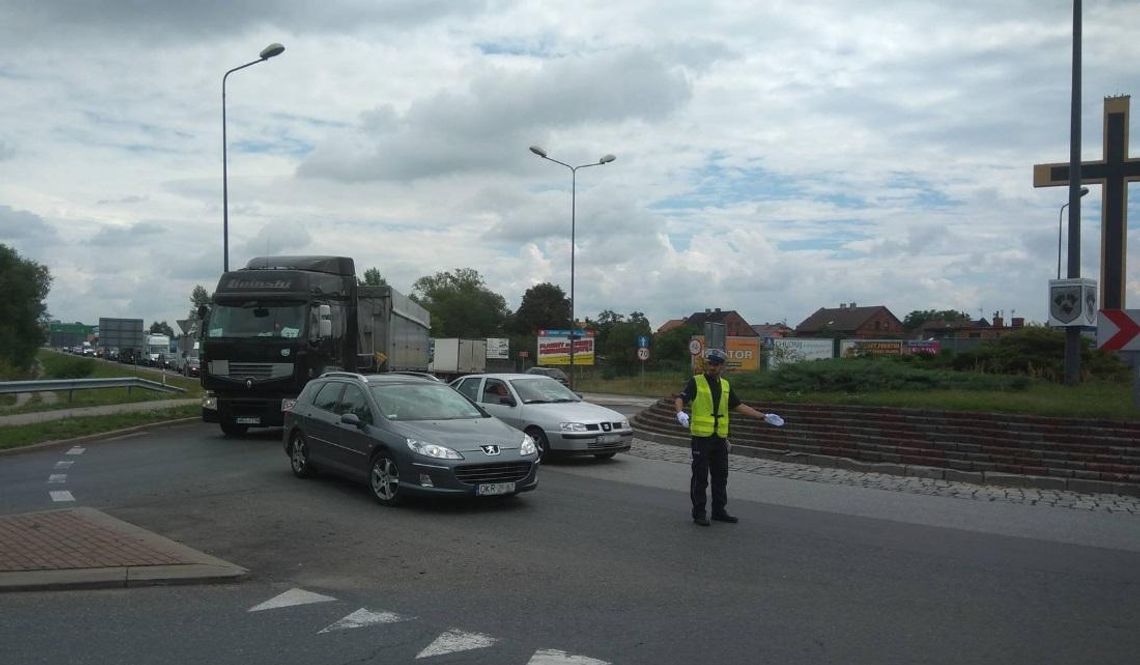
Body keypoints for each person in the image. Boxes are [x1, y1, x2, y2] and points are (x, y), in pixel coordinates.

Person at [674, 348, 782, 526]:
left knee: (721, 476)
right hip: (701, 438)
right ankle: (699, 512)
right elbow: (680, 398)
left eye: (716, 364)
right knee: (700, 477)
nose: (712, 367)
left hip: (720, 438)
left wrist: (762, 416)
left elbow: (738, 405)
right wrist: (680, 413)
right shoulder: (696, 381)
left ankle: (719, 510)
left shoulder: (725, 385)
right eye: (710, 363)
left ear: (722, 366)